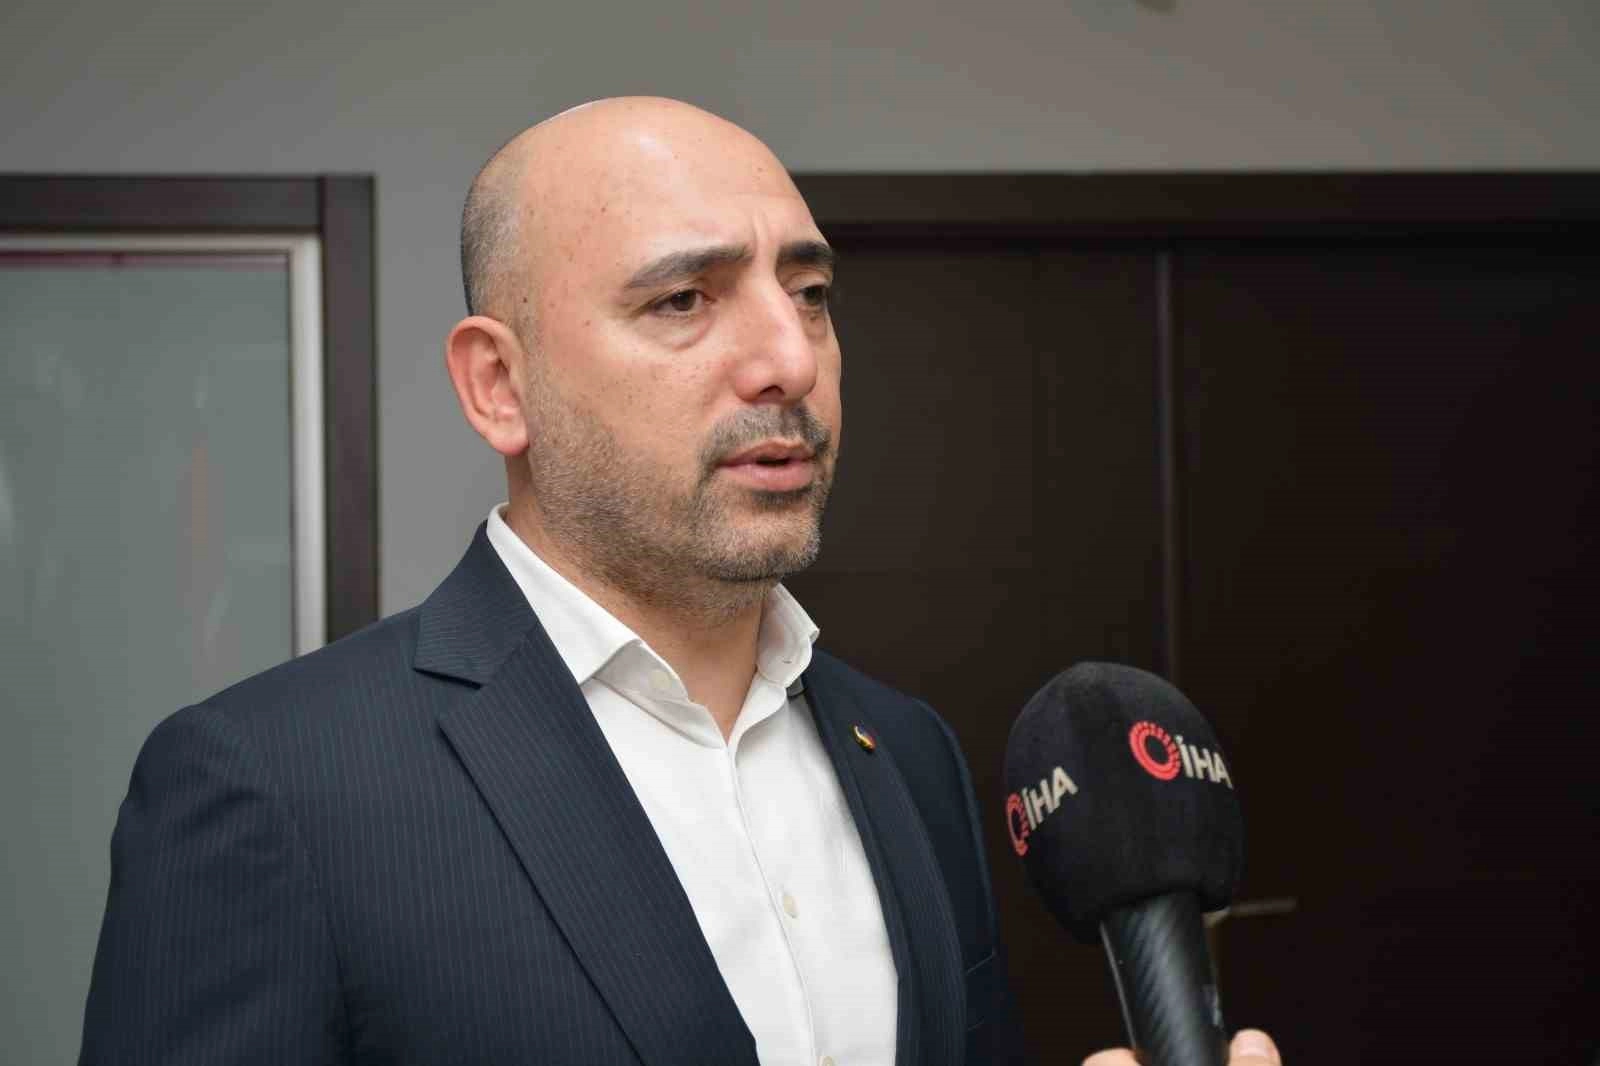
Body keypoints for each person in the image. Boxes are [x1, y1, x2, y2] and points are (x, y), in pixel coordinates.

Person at [80, 97, 1281, 1066]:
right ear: (499, 386)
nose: (789, 358)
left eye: (810, 294)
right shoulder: (272, 787)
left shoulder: (906, 753)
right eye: (683, 299)